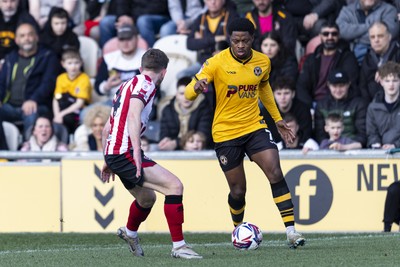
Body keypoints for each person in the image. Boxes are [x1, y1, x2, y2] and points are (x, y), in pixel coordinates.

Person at [185, 17, 305, 248]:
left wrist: (277, 119)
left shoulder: (263, 62)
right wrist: (195, 88)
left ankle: (291, 231)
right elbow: (190, 92)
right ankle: (238, 229)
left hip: (254, 127)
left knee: (275, 172)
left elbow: (265, 89)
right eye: (235, 40)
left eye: (245, 41)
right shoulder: (216, 63)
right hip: (225, 133)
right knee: (238, 190)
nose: (240, 45)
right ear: (230, 39)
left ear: (253, 39)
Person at [101, 48, 202, 259]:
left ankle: (130, 233)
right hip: (125, 152)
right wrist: (136, 152)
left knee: (147, 199)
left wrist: (107, 157)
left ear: (140, 68)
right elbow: (133, 116)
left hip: (115, 152)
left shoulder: (125, 86)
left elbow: (107, 129)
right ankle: (179, 246)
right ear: (164, 73)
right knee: (175, 186)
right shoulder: (146, 85)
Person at [0, 23, 60, 139]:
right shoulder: (10, 58)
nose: (26, 38)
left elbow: (48, 82)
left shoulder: (47, 56)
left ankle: (29, 151)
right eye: (22, 36)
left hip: (37, 105)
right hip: (9, 106)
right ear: (17, 40)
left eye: (30, 35)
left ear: (36, 37)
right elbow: (1, 83)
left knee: (31, 115)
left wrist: (34, 99)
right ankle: (4, 152)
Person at [296, 21, 359, 109]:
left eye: (334, 34)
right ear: (320, 36)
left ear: (339, 36)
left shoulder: (348, 57)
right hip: (312, 104)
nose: (330, 37)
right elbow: (301, 86)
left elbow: (350, 84)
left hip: (337, 104)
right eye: (326, 34)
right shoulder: (312, 58)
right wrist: (308, 106)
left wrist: (326, 105)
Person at [178, 0, 239, 79]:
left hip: (225, 61)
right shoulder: (201, 18)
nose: (213, 2)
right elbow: (190, 44)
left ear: (223, 1)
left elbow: (234, 40)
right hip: (204, 62)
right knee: (182, 75)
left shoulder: (232, 16)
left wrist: (202, 40)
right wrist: (215, 39)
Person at [314, 69, 368, 147]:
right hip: (327, 149)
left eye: (341, 86)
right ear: (328, 85)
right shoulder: (321, 105)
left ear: (348, 84)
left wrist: (346, 147)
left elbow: (362, 135)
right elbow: (320, 135)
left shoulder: (359, 104)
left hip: (353, 150)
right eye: (334, 86)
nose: (338, 90)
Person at [158, 76, 213, 151]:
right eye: (181, 93)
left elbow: (203, 135)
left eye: (189, 93)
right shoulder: (168, 110)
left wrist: (176, 143)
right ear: (176, 95)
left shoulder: (205, 108)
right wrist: (165, 141)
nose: (186, 97)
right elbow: (164, 133)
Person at [260, 75, 312, 145]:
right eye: (279, 93)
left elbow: (306, 134)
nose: (282, 97)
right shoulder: (267, 111)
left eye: (286, 93)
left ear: (293, 94)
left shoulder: (303, 110)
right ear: (273, 95)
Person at [358, 21, 400, 103]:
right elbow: (362, 87)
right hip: (374, 106)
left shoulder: (398, 53)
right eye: (372, 37)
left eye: (380, 36)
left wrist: (386, 71)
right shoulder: (367, 59)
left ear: (389, 37)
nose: (376, 40)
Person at [52, 49, 92, 135]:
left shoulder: (84, 78)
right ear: (63, 64)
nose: (73, 66)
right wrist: (57, 115)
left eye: (76, 63)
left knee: (67, 118)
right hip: (63, 108)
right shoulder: (61, 78)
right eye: (69, 63)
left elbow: (79, 103)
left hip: (78, 110)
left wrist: (61, 114)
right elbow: (56, 99)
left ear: (81, 63)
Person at [366, 61, 400, 149]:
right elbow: (372, 134)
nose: (391, 84)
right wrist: (376, 144)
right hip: (381, 155)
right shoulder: (373, 108)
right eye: (387, 81)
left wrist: (395, 145)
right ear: (381, 82)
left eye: (395, 80)